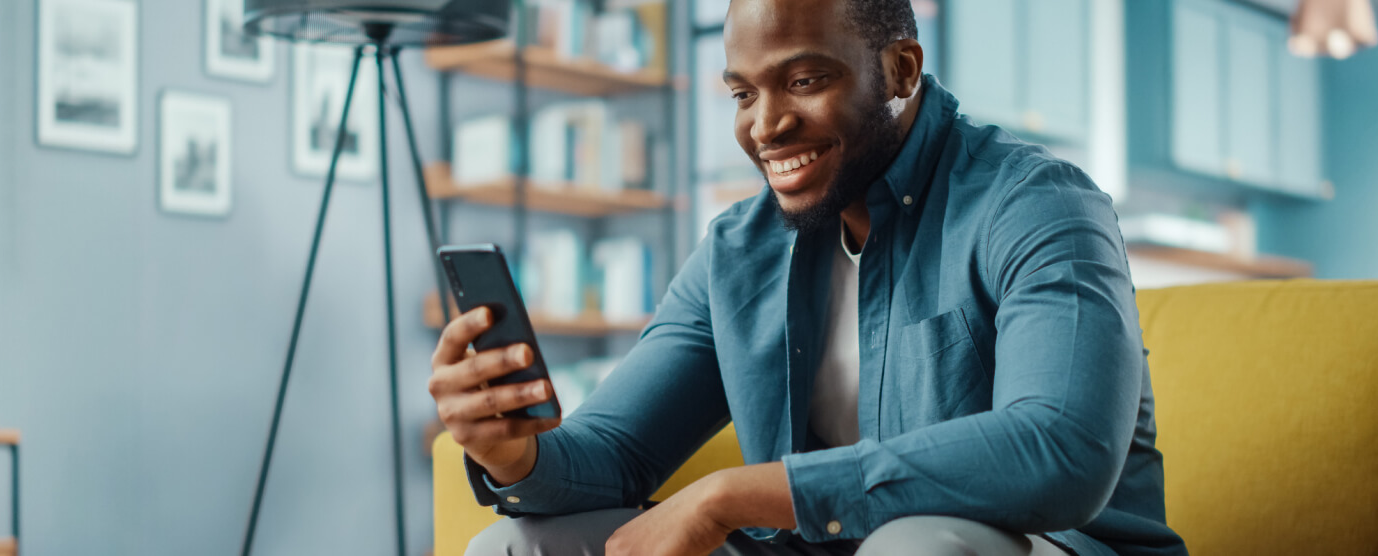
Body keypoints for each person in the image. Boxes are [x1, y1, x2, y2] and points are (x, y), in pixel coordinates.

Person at [427, 0, 1187, 554]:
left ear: (900, 69)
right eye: (743, 92)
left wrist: (739, 493)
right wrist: (514, 455)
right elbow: (619, 453)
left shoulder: (1038, 204)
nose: (764, 126)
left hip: (1045, 546)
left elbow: (1060, 450)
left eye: (803, 80)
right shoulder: (737, 248)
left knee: (915, 548)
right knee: (514, 546)